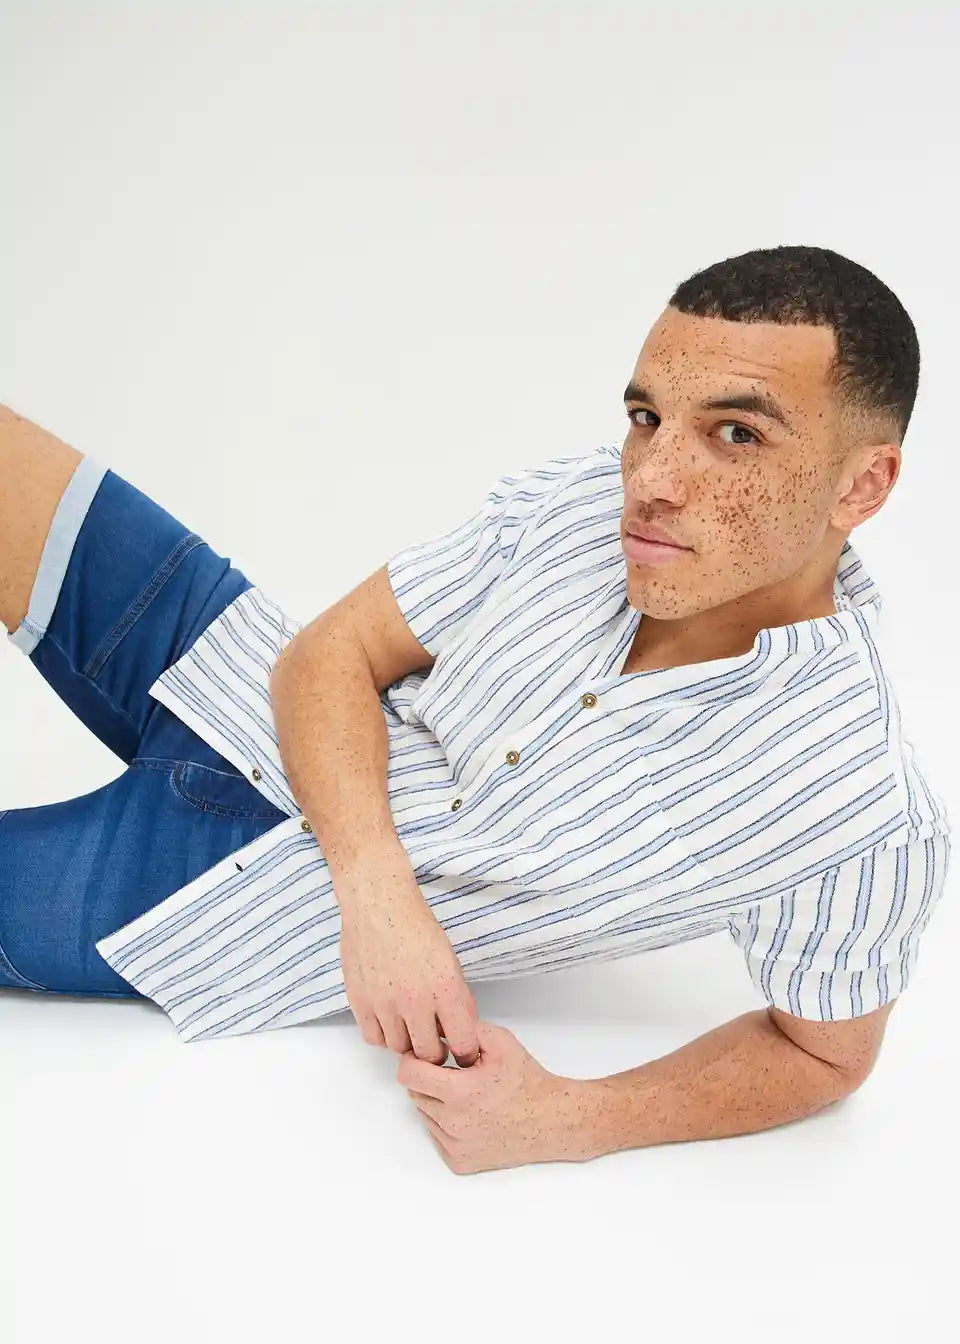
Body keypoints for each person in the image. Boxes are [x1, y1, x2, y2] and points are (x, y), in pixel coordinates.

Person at [1, 245, 951, 1155]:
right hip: (235, 665)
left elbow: (824, 1055)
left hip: (206, 891)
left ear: (864, 485)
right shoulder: (579, 504)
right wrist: (379, 895)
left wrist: (567, 1119)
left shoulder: (857, 806)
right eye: (647, 416)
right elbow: (330, 653)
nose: (651, 481)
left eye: (735, 434)